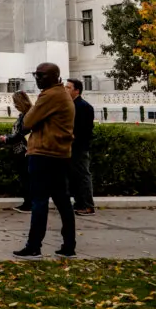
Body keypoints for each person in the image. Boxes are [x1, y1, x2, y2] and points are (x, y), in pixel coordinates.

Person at [13, 62, 77, 260]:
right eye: (36, 75)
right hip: (59, 154)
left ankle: (34, 247)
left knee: (39, 201)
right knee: (62, 201)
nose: (37, 79)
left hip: (44, 154)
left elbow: (28, 122)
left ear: (53, 77)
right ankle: (68, 246)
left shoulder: (50, 95)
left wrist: (31, 116)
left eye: (41, 76)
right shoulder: (61, 95)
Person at [0, 91, 33, 212]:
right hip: (22, 150)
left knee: (26, 178)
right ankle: (28, 202)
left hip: (24, 151)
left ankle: (28, 204)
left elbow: (20, 134)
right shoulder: (25, 115)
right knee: (25, 178)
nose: (14, 105)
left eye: (15, 102)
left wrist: (6, 139)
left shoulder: (27, 116)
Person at [66, 78, 96, 216]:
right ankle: (79, 203)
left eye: (68, 88)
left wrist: (73, 137)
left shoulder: (84, 106)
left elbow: (85, 130)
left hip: (79, 147)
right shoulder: (71, 105)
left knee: (83, 176)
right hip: (71, 147)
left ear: (77, 90)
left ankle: (88, 206)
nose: (66, 90)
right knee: (75, 177)